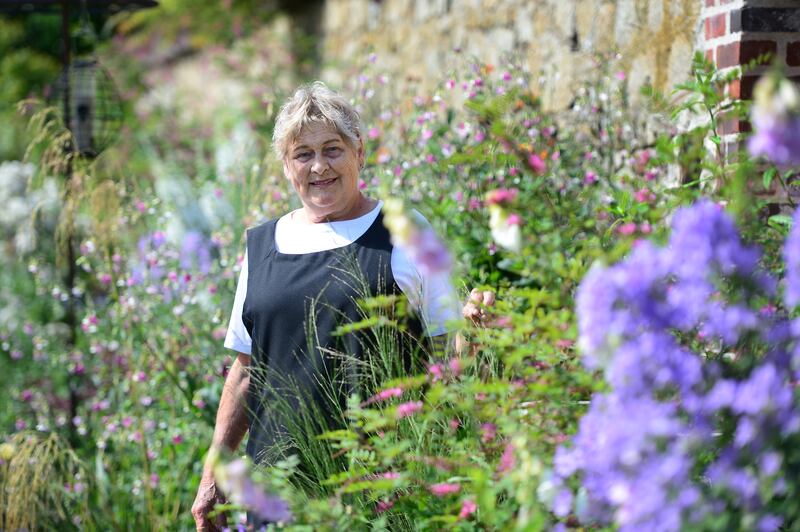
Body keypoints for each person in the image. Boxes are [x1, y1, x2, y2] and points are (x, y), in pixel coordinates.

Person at [192, 82, 494, 530]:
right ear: (287, 166)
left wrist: (476, 338)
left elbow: (445, 357)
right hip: (276, 491)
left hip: (378, 490)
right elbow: (245, 371)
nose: (319, 166)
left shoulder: (404, 231)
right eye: (302, 154)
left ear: (359, 152)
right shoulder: (261, 245)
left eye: (332, 149)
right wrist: (213, 472)